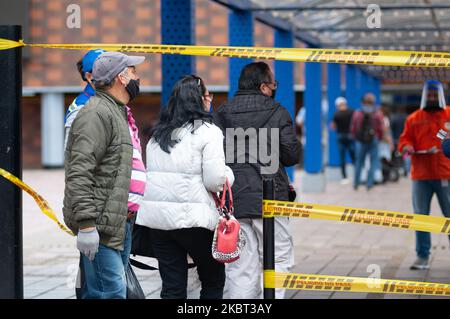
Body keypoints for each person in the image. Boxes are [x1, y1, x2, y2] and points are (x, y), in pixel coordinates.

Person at [136, 75, 235, 299]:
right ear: (199, 99)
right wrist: (228, 174)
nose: (210, 99)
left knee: (172, 287)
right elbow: (215, 180)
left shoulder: (157, 134)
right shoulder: (208, 132)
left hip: (158, 223)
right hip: (194, 221)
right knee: (212, 279)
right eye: (208, 95)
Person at [213, 62, 301, 299]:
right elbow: (292, 155)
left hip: (235, 200)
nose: (274, 89)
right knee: (278, 256)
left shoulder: (222, 112)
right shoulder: (278, 111)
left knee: (240, 263)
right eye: (273, 85)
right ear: (263, 86)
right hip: (271, 199)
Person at [63, 51, 146, 299]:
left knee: (110, 290)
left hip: (119, 220)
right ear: (121, 77)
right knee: (109, 292)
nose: (137, 77)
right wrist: (87, 226)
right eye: (133, 72)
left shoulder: (116, 111)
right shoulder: (96, 114)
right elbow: (79, 172)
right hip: (101, 223)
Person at [398, 81, 450, 270]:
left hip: (445, 173)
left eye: (435, 95)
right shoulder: (413, 118)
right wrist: (407, 147)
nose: (432, 98)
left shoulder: (448, 115)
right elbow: (404, 139)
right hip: (421, 175)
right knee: (421, 217)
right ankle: (422, 255)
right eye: (429, 95)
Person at [64, 49, 106, 149]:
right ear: (89, 76)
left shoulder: (106, 99)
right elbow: (73, 156)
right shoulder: (80, 108)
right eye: (103, 69)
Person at [350, 93, 385, 191]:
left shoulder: (357, 113)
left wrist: (355, 137)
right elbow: (380, 128)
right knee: (373, 161)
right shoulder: (376, 113)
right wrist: (380, 138)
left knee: (359, 162)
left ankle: (356, 183)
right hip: (373, 139)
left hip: (360, 140)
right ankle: (369, 184)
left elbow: (353, 127)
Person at [330, 97, 355, 184]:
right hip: (350, 136)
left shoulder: (336, 114)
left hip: (340, 136)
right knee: (353, 155)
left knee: (342, 157)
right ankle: (357, 174)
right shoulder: (351, 112)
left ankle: (344, 177)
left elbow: (333, 127)